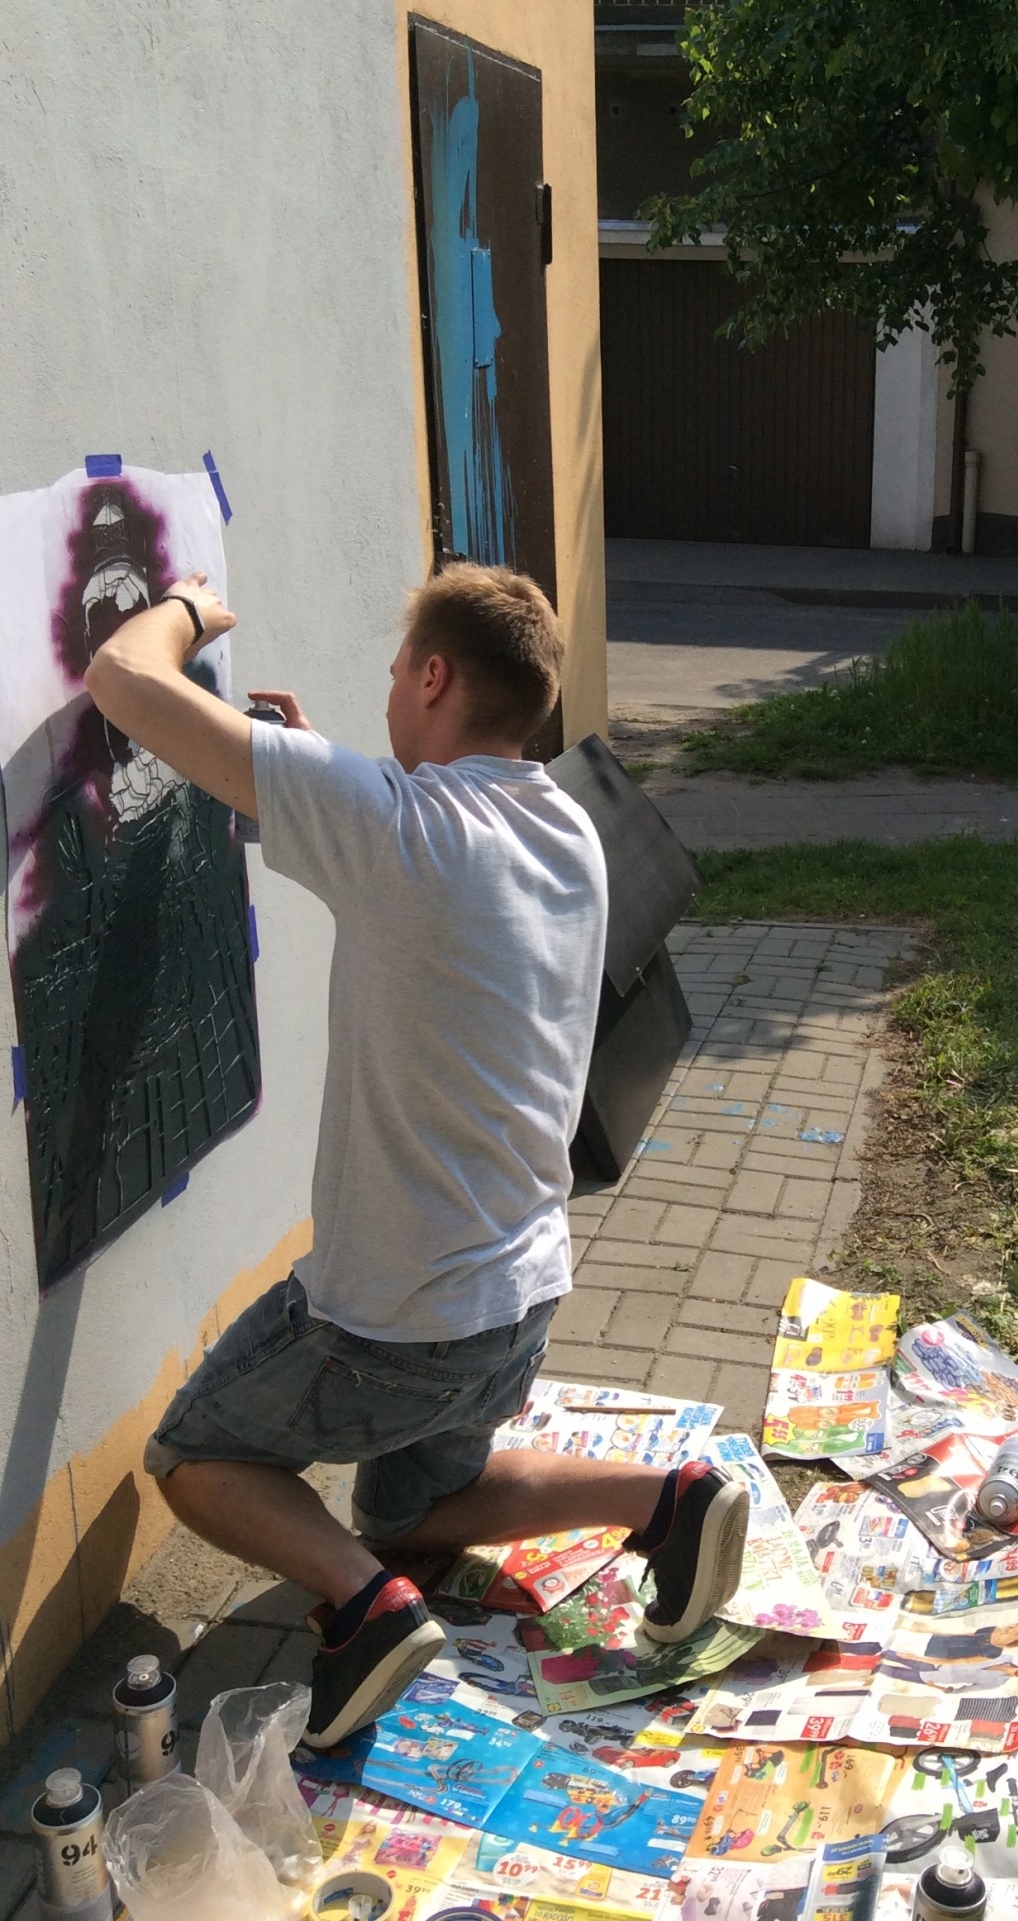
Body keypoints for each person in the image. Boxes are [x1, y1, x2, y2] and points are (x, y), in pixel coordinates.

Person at [84, 563, 749, 1749]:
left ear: (434, 677)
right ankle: (672, 1499)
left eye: (398, 672)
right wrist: (311, 767)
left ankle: (366, 1610)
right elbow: (422, 850)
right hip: (520, 1303)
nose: (390, 691)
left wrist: (186, 608)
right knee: (410, 1509)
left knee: (191, 1454)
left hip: (389, 1326)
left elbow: (122, 679)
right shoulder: (563, 826)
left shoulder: (390, 827)